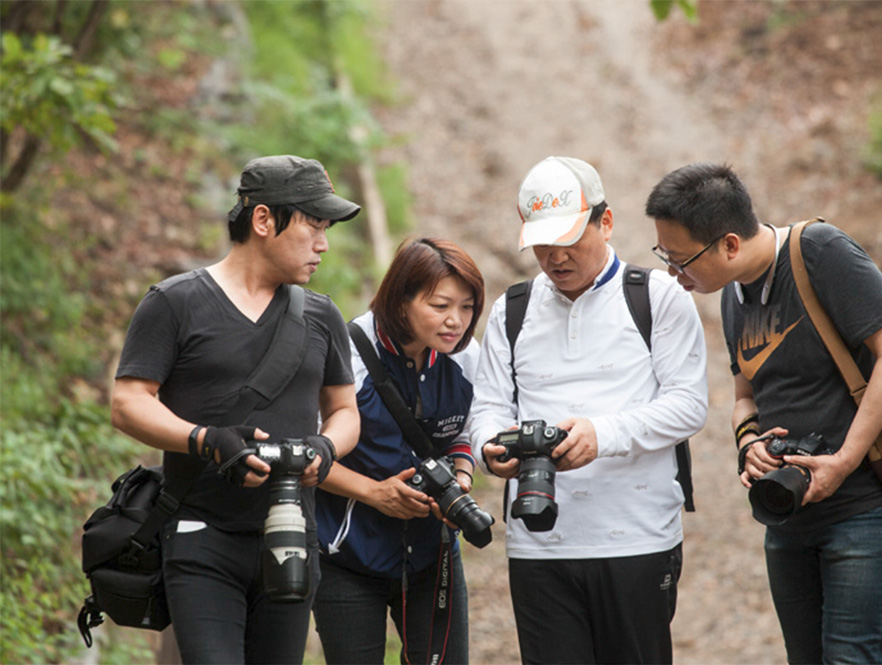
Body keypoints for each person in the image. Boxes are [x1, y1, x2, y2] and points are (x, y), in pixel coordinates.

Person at [645, 162, 882, 664]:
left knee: (851, 657)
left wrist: (844, 460)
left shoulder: (819, 252)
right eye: (665, 256)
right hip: (788, 514)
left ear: (729, 243)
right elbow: (745, 396)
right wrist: (748, 443)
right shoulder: (731, 293)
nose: (673, 274)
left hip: (865, 508)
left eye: (682, 260)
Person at [111, 154, 362, 664]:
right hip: (202, 538)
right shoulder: (175, 302)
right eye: (313, 225)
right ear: (264, 220)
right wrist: (204, 439)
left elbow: (345, 411)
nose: (323, 244)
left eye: (327, 228)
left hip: (292, 535)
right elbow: (128, 402)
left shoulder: (320, 314)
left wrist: (324, 446)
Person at [470, 155, 709, 664]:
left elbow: (688, 406)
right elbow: (488, 405)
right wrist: (490, 449)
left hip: (638, 539)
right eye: (542, 245)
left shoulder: (659, 297)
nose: (556, 257)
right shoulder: (511, 310)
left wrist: (603, 435)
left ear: (606, 222)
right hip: (538, 543)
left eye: (570, 241)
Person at [312, 237, 486, 665]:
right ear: (401, 300)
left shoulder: (464, 358)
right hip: (348, 557)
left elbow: (461, 434)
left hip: (433, 554)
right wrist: (374, 493)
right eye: (440, 305)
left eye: (467, 307)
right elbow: (307, 455)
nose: (456, 322)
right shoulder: (347, 353)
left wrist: (460, 480)